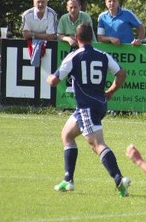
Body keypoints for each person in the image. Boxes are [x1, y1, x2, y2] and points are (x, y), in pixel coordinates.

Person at [47, 24, 131, 196]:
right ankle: (68, 180)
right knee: (67, 135)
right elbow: (122, 74)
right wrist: (111, 91)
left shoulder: (73, 56)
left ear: (76, 38)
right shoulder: (103, 55)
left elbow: (54, 82)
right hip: (98, 105)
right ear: (92, 38)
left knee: (97, 144)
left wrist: (48, 77)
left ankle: (119, 179)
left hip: (87, 107)